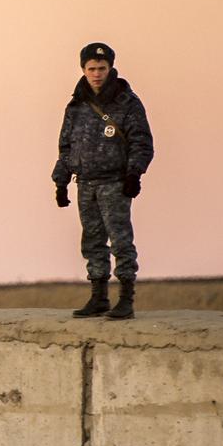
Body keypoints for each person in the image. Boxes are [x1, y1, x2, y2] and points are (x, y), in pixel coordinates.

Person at [52, 42, 154, 319]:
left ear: (110, 68)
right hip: (85, 182)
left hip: (115, 183)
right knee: (92, 241)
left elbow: (141, 142)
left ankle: (126, 299)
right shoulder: (76, 106)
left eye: (102, 68)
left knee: (121, 240)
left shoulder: (127, 103)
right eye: (91, 69)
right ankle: (99, 297)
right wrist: (60, 182)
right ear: (83, 70)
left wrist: (134, 173)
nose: (97, 74)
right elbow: (66, 147)